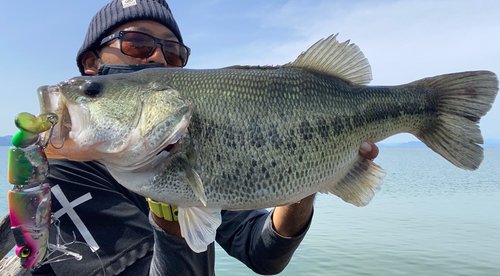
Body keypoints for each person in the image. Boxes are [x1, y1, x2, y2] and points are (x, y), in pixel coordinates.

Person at [25, 0, 379, 275]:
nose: (159, 60)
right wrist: (170, 211)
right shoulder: (56, 178)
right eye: (136, 44)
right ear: (91, 62)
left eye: (174, 53)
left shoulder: (189, 142)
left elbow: (262, 253)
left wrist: (307, 181)